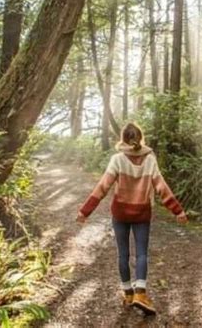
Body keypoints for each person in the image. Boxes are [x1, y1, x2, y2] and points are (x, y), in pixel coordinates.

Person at [76, 122, 188, 315]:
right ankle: (140, 294)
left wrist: (85, 211)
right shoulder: (150, 159)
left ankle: (128, 294)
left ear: (123, 138)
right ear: (140, 138)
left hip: (120, 214)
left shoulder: (117, 159)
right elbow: (162, 187)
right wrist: (178, 211)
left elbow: (103, 187)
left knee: (123, 254)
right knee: (142, 253)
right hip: (142, 214)